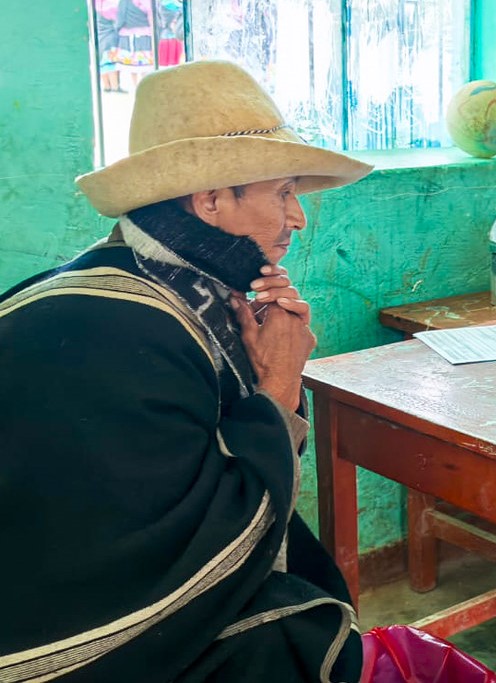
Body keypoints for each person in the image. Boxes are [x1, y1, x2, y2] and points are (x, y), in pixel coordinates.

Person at [0, 60, 372, 681]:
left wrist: (271, 386)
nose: (298, 217)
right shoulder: (111, 327)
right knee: (294, 641)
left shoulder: (180, 285)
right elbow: (194, 546)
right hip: (60, 634)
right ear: (209, 200)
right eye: (282, 193)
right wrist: (278, 387)